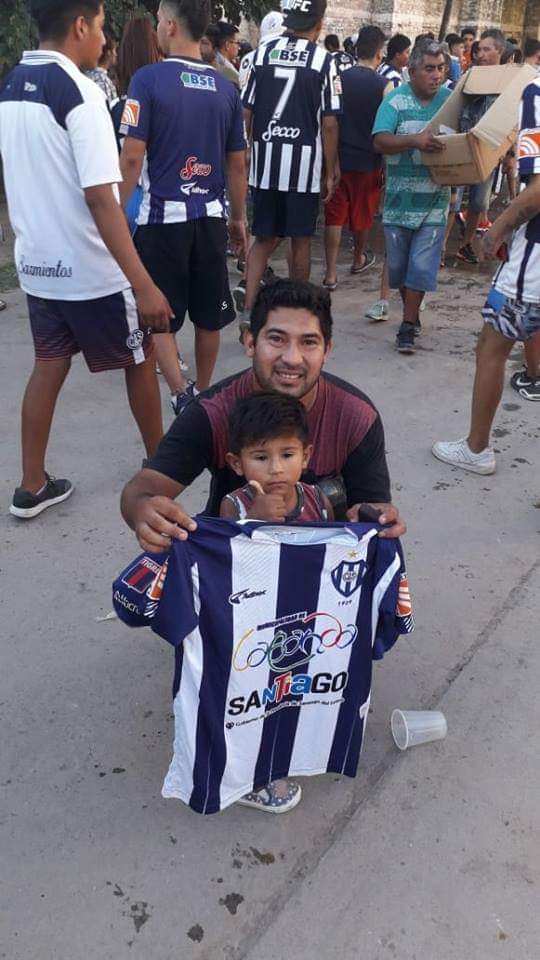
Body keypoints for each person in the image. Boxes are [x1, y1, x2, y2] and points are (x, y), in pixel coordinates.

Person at [1, 0, 172, 519]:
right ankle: (161, 469)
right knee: (140, 360)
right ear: (80, 26)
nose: (102, 38)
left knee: (49, 364)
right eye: (99, 26)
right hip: (92, 269)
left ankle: (31, 485)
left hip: (38, 265)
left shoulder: (11, 85)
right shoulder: (79, 92)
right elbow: (102, 197)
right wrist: (143, 283)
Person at [120, 278, 406, 551]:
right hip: (231, 556)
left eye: (309, 342)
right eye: (277, 339)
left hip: (323, 560)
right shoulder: (211, 412)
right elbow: (140, 491)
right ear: (250, 342)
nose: (292, 358)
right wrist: (144, 511)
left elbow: (372, 507)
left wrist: (380, 517)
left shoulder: (356, 417)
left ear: (326, 350)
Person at [118, 0, 248, 415]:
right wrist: (238, 218)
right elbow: (237, 162)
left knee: (159, 313)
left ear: (171, 25)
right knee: (210, 314)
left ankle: (180, 393)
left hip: (161, 220)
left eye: (159, 20)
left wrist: (114, 214)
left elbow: (132, 157)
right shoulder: (226, 89)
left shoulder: (147, 79)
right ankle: (205, 394)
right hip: (209, 218)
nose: (157, 27)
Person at [432, 76, 540, 475]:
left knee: (492, 346)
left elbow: (539, 187)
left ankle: (477, 448)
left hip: (533, 263)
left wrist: (497, 230)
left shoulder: (537, 92)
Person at [241, 0, 342, 317]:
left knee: (262, 239)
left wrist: (246, 154)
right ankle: (298, 313)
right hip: (303, 169)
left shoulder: (261, 55)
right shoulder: (323, 60)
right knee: (300, 240)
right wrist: (330, 170)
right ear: (319, 23)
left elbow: (246, 112)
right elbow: (329, 123)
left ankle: (248, 310)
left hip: (265, 165)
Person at [372, 40, 450, 354]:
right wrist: (414, 141)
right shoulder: (395, 100)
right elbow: (380, 140)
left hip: (435, 201)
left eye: (441, 68)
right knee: (400, 269)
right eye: (429, 69)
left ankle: (406, 326)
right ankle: (412, 312)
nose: (437, 75)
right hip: (398, 203)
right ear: (412, 70)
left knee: (420, 265)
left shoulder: (449, 100)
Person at [323, 25, 391, 289]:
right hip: (368, 162)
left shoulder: (338, 79)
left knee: (334, 215)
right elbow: (387, 128)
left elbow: (328, 121)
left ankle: (330, 273)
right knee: (363, 214)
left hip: (338, 159)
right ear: (379, 52)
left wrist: (329, 164)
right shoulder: (384, 85)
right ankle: (357, 258)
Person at [220, 392, 333, 522]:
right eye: (261, 458)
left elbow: (334, 535)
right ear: (237, 463)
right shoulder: (234, 505)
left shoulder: (318, 501)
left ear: (305, 457)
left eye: (287, 455)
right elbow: (232, 535)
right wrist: (254, 520)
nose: (276, 469)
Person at [455, 28, 505, 265]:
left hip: (488, 149)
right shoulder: (471, 75)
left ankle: (465, 244)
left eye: (487, 49)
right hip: (463, 141)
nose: (480, 54)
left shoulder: (508, 80)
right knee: (453, 198)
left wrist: (509, 152)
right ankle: (441, 246)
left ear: (499, 51)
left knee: (478, 202)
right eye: (479, 49)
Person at [85, 30, 117, 102]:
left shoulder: (85, 75)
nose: (116, 54)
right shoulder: (103, 81)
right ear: (109, 53)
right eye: (114, 50)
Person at [214, 20, 241, 87]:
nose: (239, 48)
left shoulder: (214, 60)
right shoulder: (228, 73)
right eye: (237, 43)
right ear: (227, 45)